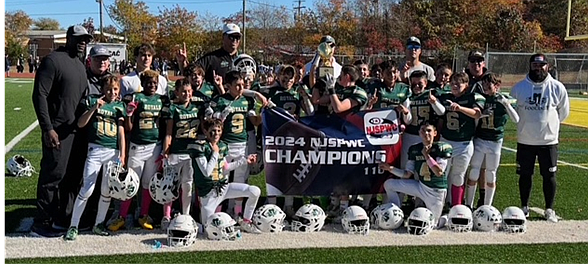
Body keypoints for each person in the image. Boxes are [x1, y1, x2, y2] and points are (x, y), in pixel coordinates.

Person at [31, 25, 93, 237]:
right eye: (79, 39)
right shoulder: (53, 61)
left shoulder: (79, 64)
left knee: (73, 177)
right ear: (68, 38)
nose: (83, 43)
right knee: (53, 176)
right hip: (58, 130)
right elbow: (39, 96)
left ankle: (64, 217)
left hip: (76, 132)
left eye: (86, 39)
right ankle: (41, 222)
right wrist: (47, 128)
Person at [64, 75, 126, 241]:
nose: (111, 92)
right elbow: (80, 124)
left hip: (112, 152)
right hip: (95, 150)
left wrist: (123, 154)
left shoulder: (120, 106)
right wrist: (93, 109)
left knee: (106, 191)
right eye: (108, 89)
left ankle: (98, 224)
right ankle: (73, 225)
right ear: (102, 90)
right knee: (87, 189)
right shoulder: (93, 101)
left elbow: (121, 132)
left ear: (119, 90)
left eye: (115, 89)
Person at [108, 70, 171, 231]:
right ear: (143, 84)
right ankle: (122, 216)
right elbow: (128, 128)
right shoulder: (136, 97)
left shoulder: (162, 100)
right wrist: (129, 114)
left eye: (155, 83)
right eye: (149, 83)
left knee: (147, 183)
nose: (152, 86)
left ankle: (143, 215)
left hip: (154, 147)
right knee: (130, 183)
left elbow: (166, 124)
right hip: (137, 146)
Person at [510, 53, 569, 222]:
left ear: (547, 66)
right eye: (535, 65)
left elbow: (563, 113)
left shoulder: (557, 87)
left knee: (549, 176)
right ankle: (524, 206)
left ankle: (549, 208)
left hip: (548, 141)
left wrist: (551, 127)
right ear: (530, 66)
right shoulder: (519, 88)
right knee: (525, 175)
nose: (538, 68)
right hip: (525, 140)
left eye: (542, 65)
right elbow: (513, 111)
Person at [190, 118, 261, 233]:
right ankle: (189, 223)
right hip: (208, 193)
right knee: (207, 229)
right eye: (213, 130)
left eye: (219, 130)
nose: (216, 133)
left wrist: (245, 160)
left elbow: (226, 167)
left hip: (223, 187)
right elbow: (207, 172)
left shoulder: (222, 145)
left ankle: (246, 221)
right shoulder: (200, 147)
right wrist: (215, 153)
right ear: (205, 132)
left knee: (254, 191)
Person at [209, 70, 262, 219]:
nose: (240, 88)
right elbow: (211, 122)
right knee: (222, 179)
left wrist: (263, 112)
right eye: (237, 85)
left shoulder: (246, 100)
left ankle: (237, 212)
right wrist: (220, 116)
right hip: (226, 144)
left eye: (242, 85)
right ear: (228, 86)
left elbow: (255, 121)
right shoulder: (220, 101)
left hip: (242, 144)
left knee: (239, 179)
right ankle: (217, 212)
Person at [379, 122, 452, 225]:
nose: (426, 133)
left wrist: (426, 156)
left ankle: (448, 216)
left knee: (433, 225)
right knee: (389, 184)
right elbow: (407, 174)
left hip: (435, 191)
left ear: (435, 133)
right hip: (420, 186)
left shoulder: (440, 148)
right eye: (423, 130)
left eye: (429, 130)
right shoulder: (415, 149)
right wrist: (390, 168)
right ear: (419, 133)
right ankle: (395, 215)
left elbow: (439, 172)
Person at [465, 73, 519, 209]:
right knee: (474, 171)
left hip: (495, 141)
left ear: (497, 86)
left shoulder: (503, 99)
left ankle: (487, 206)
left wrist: (507, 105)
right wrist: (481, 114)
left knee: (491, 173)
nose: (485, 88)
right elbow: (475, 118)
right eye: (484, 86)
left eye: (488, 86)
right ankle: (468, 205)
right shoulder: (480, 98)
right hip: (480, 138)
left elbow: (516, 119)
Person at [435, 72, 484, 207]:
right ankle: (439, 205)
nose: (455, 86)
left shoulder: (472, 97)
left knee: (458, 176)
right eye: (452, 83)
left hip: (464, 143)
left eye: (458, 83)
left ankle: (456, 206)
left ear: (466, 85)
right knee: (441, 175)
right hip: (446, 141)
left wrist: (460, 108)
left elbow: (477, 114)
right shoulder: (445, 97)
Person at [159, 78, 201, 229]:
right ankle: (166, 215)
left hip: (191, 152)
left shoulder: (197, 107)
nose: (187, 94)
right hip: (176, 152)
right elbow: (169, 133)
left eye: (189, 91)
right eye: (183, 91)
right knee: (170, 184)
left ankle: (186, 215)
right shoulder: (173, 108)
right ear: (176, 92)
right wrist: (165, 152)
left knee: (187, 185)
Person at [178, 23, 242, 84]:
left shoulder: (244, 59)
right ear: (223, 37)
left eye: (237, 37)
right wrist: (182, 63)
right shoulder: (211, 58)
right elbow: (189, 73)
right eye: (231, 37)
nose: (234, 40)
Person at [465, 50, 488, 207]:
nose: (476, 64)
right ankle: (461, 199)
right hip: (464, 127)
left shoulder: (488, 79)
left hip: (484, 129)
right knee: (462, 166)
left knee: (483, 167)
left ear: (484, 63)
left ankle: (483, 198)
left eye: (479, 61)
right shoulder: (464, 78)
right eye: (473, 61)